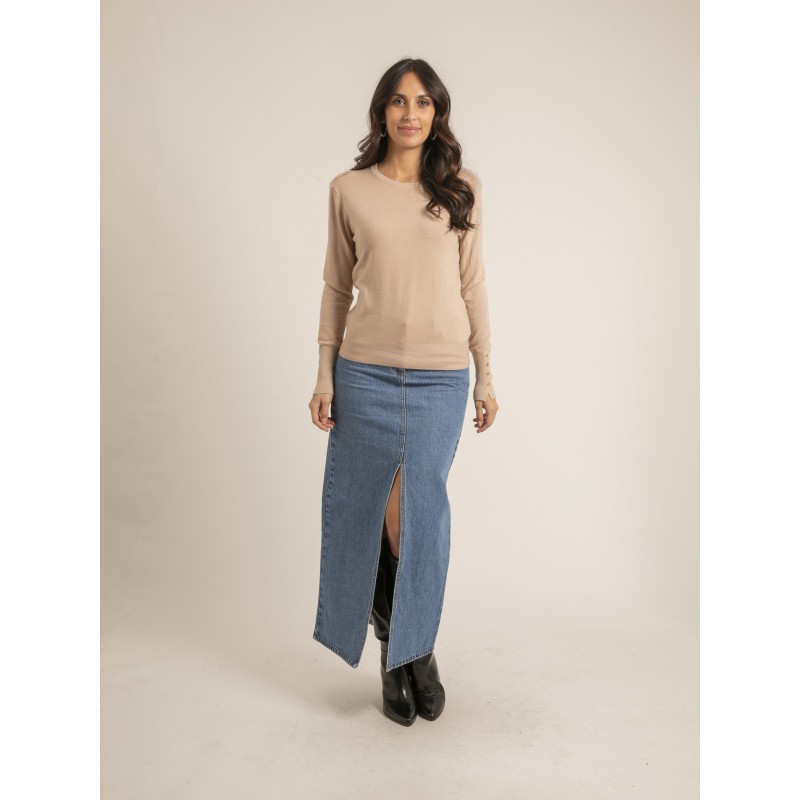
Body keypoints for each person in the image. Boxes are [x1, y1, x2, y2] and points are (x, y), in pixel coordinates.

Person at [308, 57, 500, 726]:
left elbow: (473, 284)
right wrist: (324, 373)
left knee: (419, 516)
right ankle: (397, 649)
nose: (409, 113)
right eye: (398, 100)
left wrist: (485, 372)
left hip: (441, 376)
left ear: (436, 113)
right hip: (364, 371)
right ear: (382, 112)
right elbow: (336, 286)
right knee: (371, 513)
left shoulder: (461, 189)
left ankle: (415, 647)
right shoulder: (349, 190)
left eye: (422, 102)